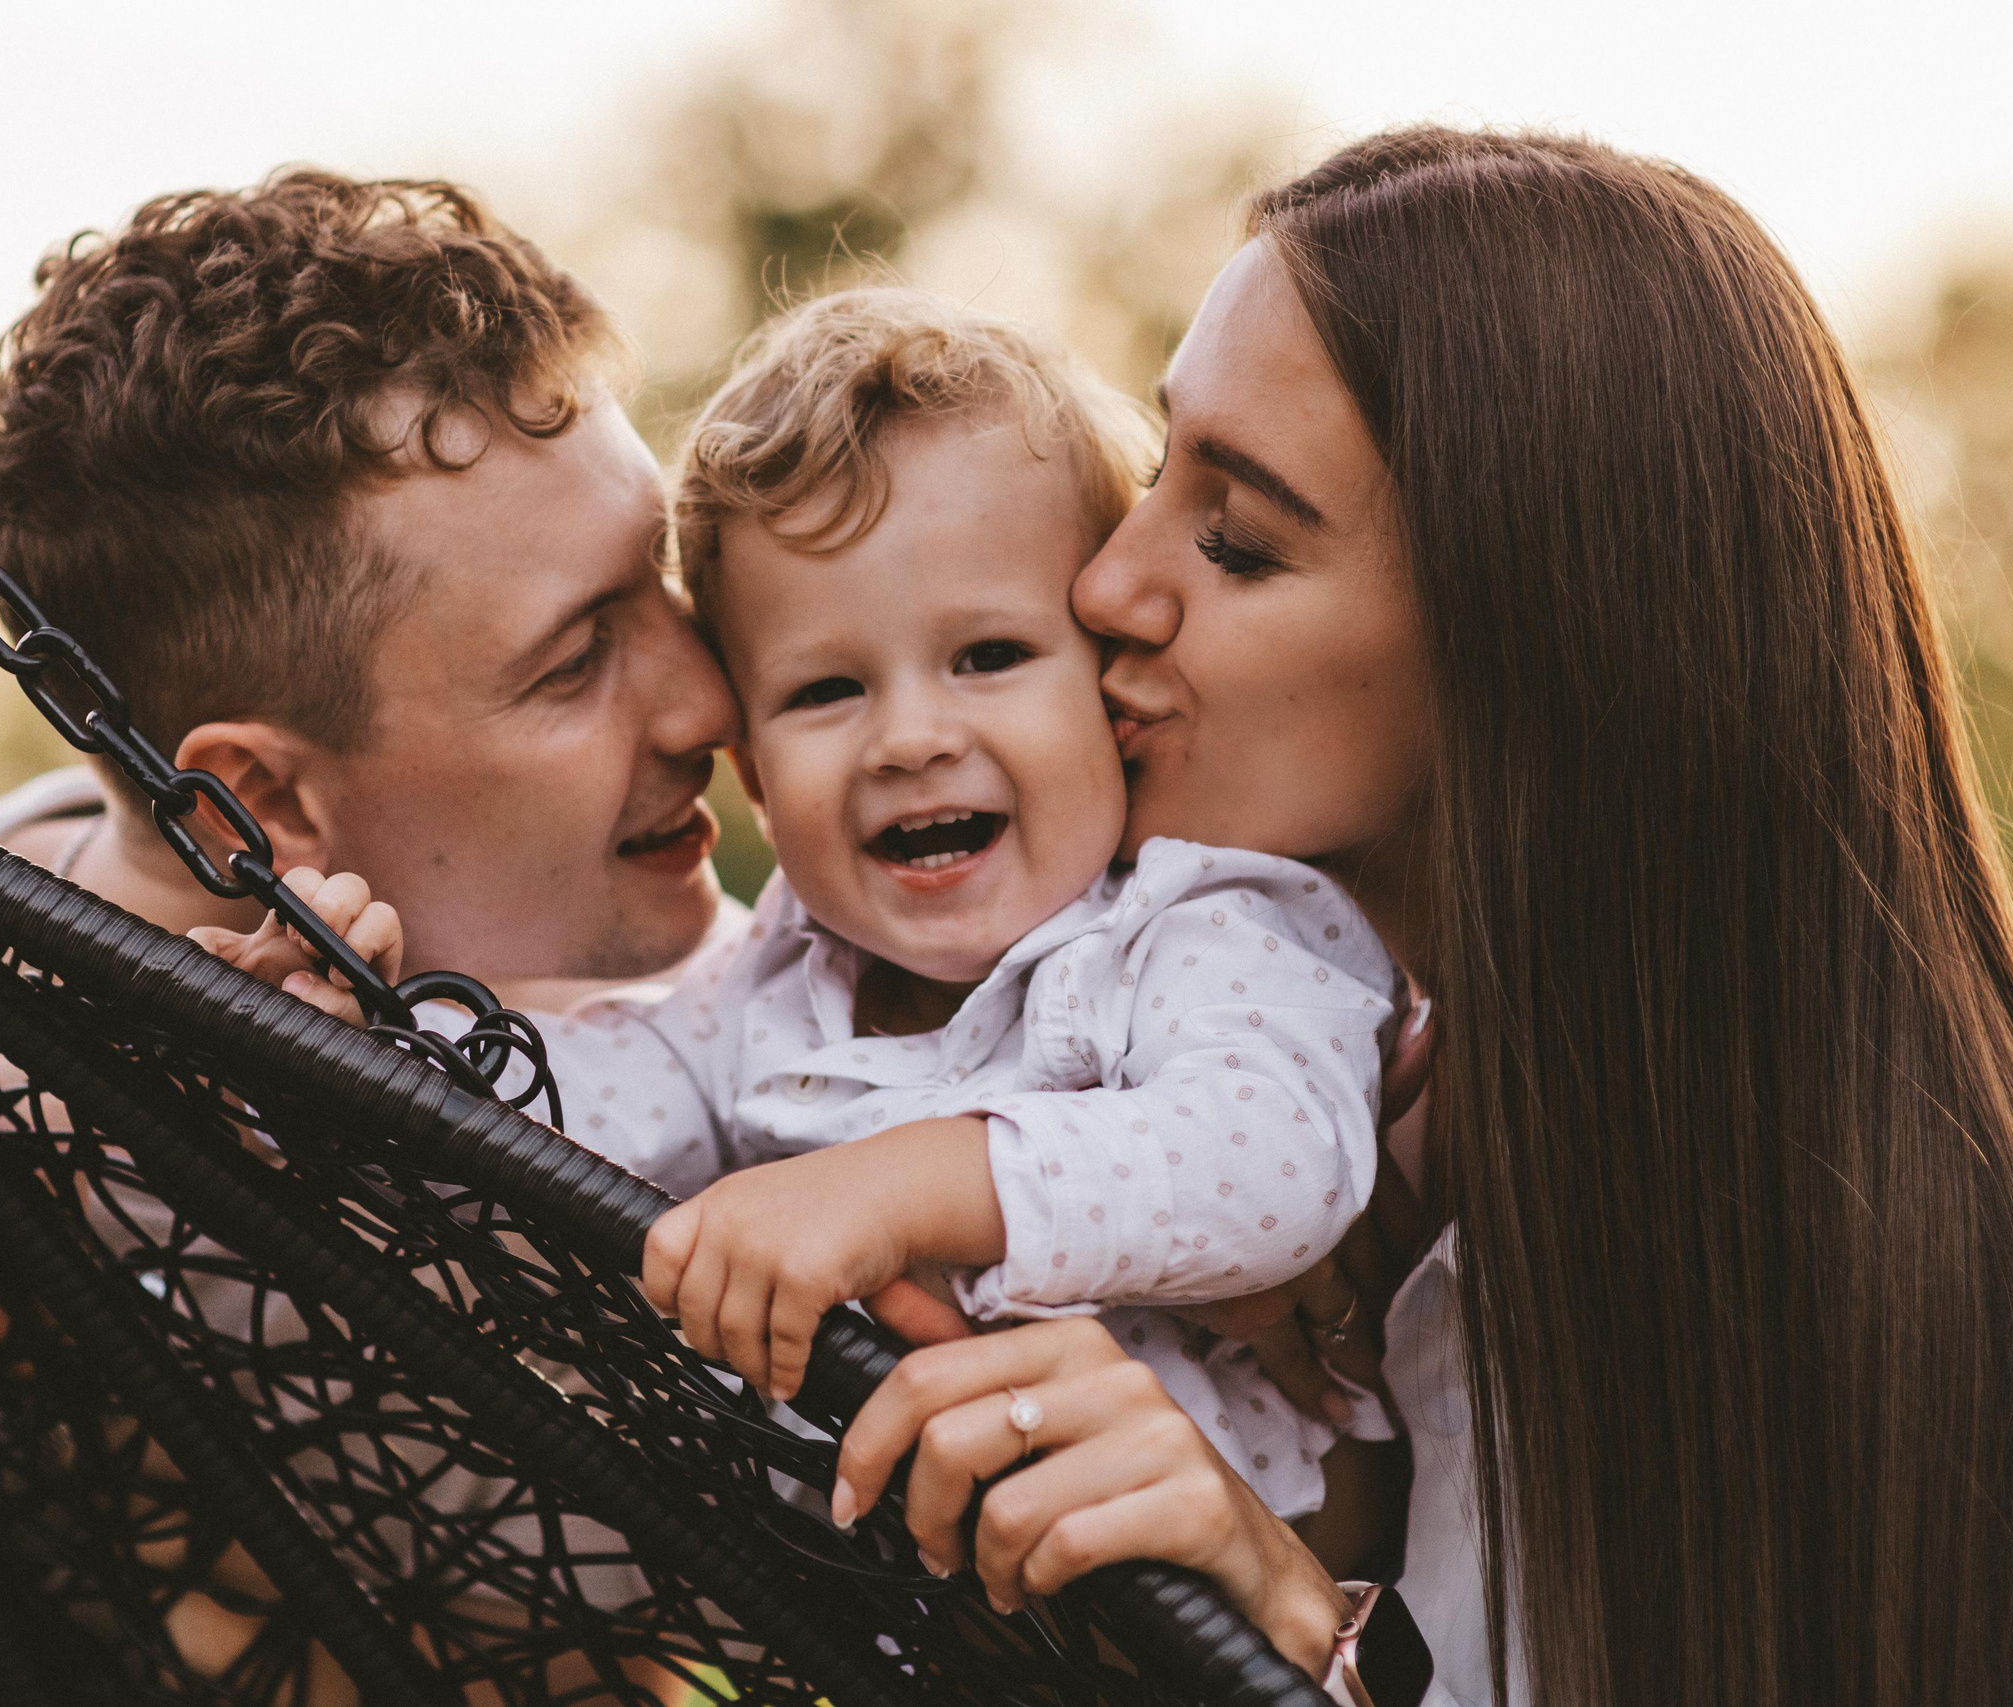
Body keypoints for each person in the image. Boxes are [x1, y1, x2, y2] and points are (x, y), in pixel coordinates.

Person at [826, 126, 2013, 1707]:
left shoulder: (1891, 1289)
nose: (1110, 583)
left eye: (1237, 537)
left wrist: (1297, 1628)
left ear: (1529, 641)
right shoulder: (1296, 1135)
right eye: (1154, 475)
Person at [224, 286, 1403, 1522]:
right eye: (826, 690)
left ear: (1106, 685)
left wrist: (892, 1191)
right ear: (753, 769)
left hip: (1221, 1607)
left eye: (990, 657)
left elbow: (1273, 1155)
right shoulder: (776, 984)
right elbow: (575, 1109)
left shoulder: (1199, 919)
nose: (908, 738)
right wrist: (364, 1056)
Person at [0, 169, 743, 1041]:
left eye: (663, 564)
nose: (712, 701)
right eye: (574, 661)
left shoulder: (773, 997)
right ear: (266, 802)